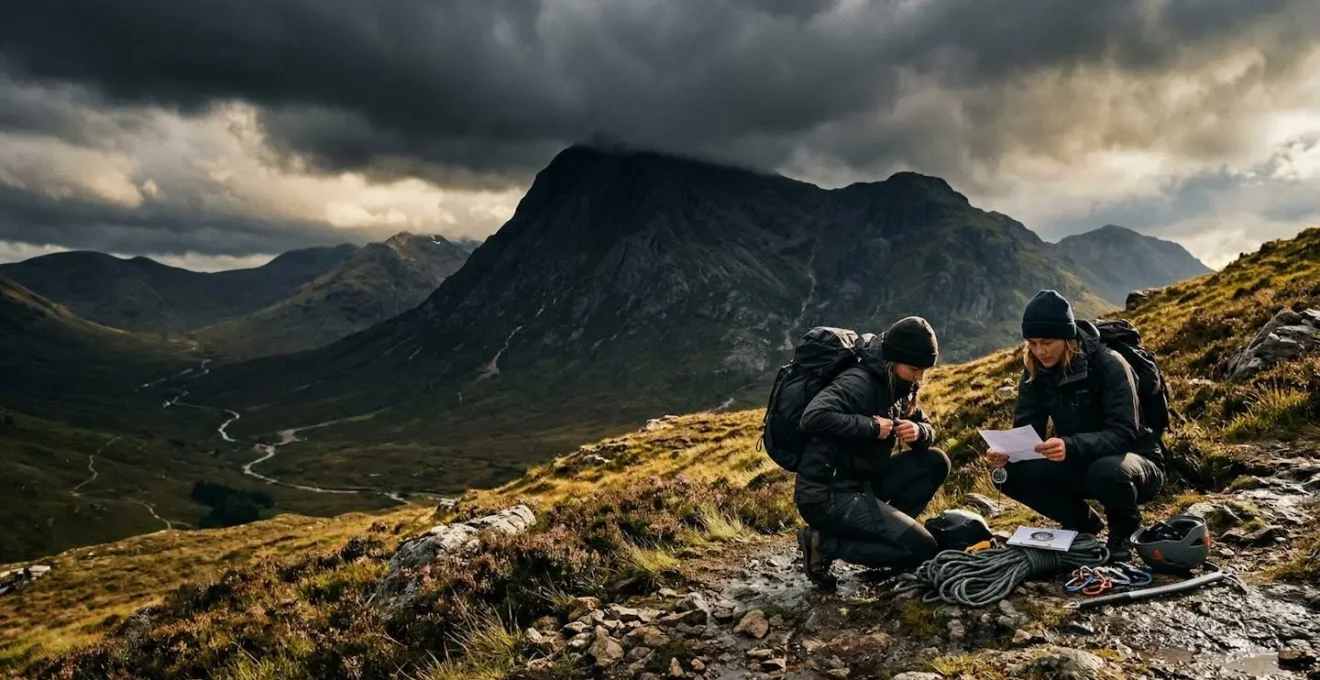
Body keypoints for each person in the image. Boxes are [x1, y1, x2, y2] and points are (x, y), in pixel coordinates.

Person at [986, 290, 1165, 561]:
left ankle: (1125, 532)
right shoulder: (1035, 371)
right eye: (1032, 343)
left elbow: (1125, 434)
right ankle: (1083, 524)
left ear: (1067, 337)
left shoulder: (1110, 364)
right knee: (1009, 474)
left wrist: (1070, 445)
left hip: (1137, 463)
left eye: (1047, 342)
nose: (1039, 351)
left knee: (1105, 471)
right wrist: (1008, 452)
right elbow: (1026, 430)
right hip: (1082, 460)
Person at [795, 316, 951, 588]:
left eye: (924, 371)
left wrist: (918, 431)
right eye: (914, 369)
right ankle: (824, 543)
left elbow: (927, 426)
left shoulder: (899, 383)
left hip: (863, 482)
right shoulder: (859, 382)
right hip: (826, 493)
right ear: (893, 359)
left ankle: (889, 537)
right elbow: (813, 417)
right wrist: (870, 427)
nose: (919, 378)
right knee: (924, 549)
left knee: (936, 461)